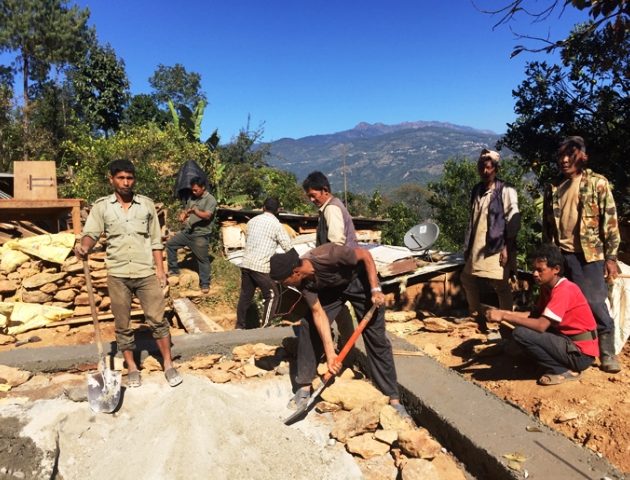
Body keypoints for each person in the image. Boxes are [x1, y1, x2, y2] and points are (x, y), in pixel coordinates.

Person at [269, 244, 411, 420]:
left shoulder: (328, 255)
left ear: (295, 272)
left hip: (359, 281)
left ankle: (393, 399)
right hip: (332, 291)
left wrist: (375, 289)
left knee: (376, 339)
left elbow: (365, 255)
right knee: (308, 326)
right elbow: (318, 313)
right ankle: (304, 387)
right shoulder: (303, 282)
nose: (284, 285)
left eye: (284, 282)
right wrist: (330, 355)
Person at [75, 159, 182, 388]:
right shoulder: (102, 207)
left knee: (157, 320)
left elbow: (155, 240)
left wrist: (160, 270)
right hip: (118, 273)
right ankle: (132, 368)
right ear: (111, 179)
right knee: (122, 324)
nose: (126, 182)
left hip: (145, 272)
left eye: (130, 178)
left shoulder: (146, 205)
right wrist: (84, 246)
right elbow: (91, 234)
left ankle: (168, 364)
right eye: (121, 178)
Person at [542, 136, 621, 373]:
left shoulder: (597, 183)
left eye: (570, 154)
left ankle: (607, 353)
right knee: (561, 303)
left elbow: (610, 222)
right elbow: (547, 225)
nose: (564, 160)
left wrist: (611, 257)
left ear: (582, 156)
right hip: (560, 255)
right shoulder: (554, 186)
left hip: (588, 255)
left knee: (595, 303)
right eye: (561, 155)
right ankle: (569, 348)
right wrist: (547, 255)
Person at [486, 244, 599, 385]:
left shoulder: (564, 290)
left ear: (556, 269)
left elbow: (541, 325)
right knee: (520, 336)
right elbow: (535, 315)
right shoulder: (547, 288)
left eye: (540, 270)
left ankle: (561, 370)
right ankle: (548, 362)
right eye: (534, 269)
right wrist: (505, 312)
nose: (534, 273)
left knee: (520, 333)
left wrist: (504, 316)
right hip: (568, 342)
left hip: (580, 354)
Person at [460, 148, 520, 331]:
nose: (484, 171)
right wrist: (467, 246)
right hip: (477, 246)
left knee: (501, 286)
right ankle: (476, 316)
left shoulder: (506, 190)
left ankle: (507, 326)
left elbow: (513, 220)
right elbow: (473, 220)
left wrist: (506, 248)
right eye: (481, 167)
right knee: (467, 278)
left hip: (497, 246)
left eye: (488, 168)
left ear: (496, 169)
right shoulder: (477, 190)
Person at [236, 197, 293, 329]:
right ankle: (266, 326)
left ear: (263, 207)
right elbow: (288, 248)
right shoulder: (277, 226)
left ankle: (239, 327)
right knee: (272, 295)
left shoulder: (252, 221)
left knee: (245, 296)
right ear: (278, 210)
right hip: (261, 266)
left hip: (246, 264)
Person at [166, 176, 217, 294]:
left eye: (196, 190)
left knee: (202, 259)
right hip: (187, 232)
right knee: (170, 244)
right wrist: (183, 216)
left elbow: (207, 216)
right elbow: (186, 211)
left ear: (203, 188)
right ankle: (173, 271)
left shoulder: (210, 200)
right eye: (192, 190)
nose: (193, 192)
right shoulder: (192, 198)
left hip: (200, 234)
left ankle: (205, 283)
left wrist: (195, 211)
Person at [302, 171, 358, 248]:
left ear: (325, 190)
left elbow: (336, 244)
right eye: (309, 196)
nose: (311, 199)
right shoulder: (331, 205)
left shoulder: (331, 209)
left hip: (341, 258)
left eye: (313, 195)